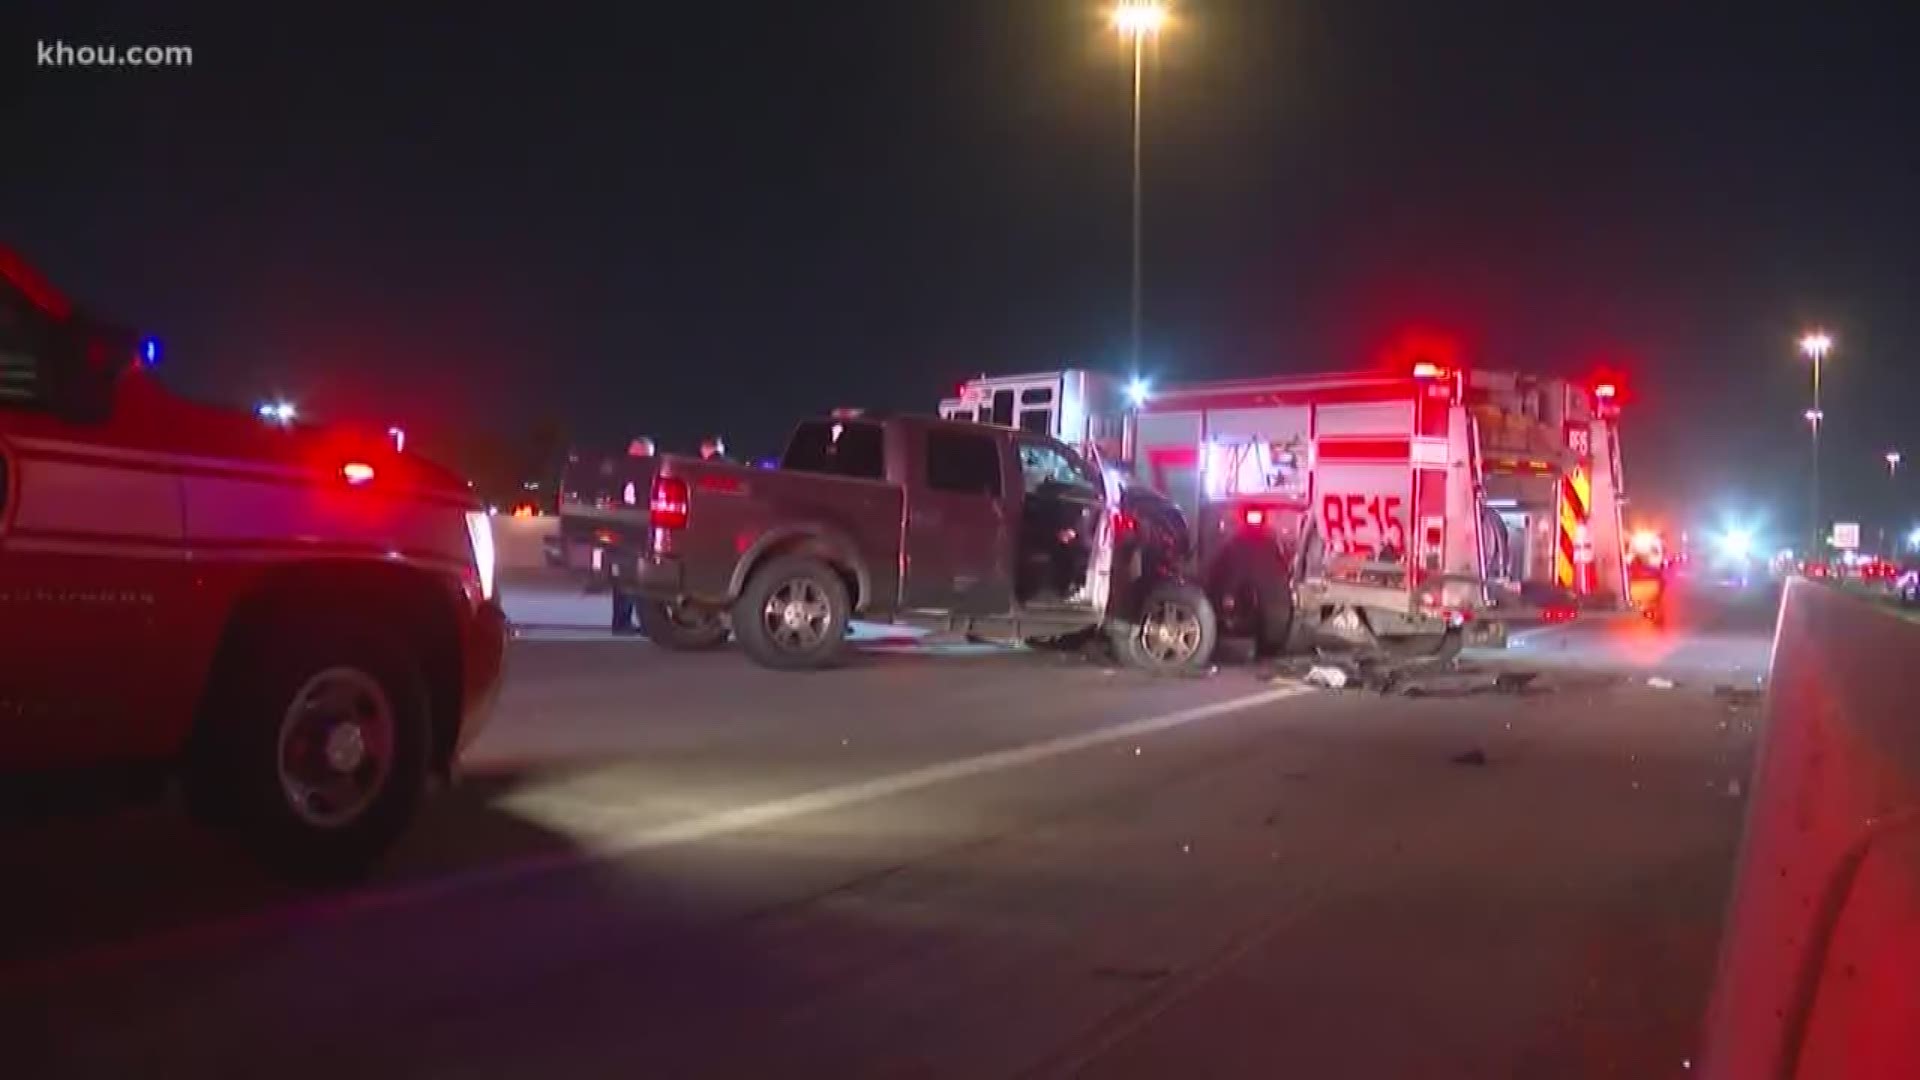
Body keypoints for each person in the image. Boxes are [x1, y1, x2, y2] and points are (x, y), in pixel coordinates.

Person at [609, 437, 656, 634]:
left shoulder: (619, 471)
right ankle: (628, 623)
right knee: (635, 580)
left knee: (626, 580)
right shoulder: (641, 474)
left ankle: (622, 622)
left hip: (625, 533)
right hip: (632, 534)